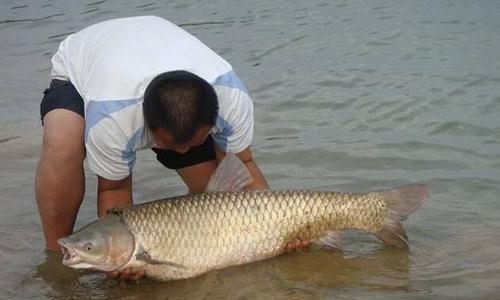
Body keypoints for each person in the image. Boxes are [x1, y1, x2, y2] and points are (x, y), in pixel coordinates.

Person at [35, 16, 270, 280]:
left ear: (211, 122)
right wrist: (118, 260)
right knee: (62, 144)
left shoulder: (232, 99)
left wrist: (274, 232)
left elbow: (241, 168)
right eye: (171, 146)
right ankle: (56, 252)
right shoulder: (113, 118)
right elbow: (115, 188)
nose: (182, 154)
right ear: (150, 128)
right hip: (80, 71)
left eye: (193, 145)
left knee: (216, 201)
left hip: (160, 57)